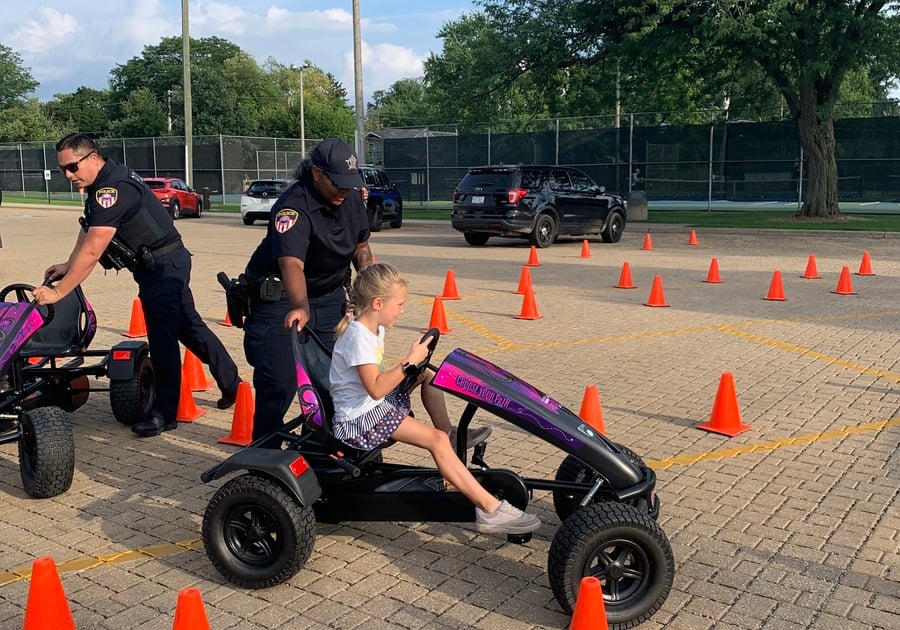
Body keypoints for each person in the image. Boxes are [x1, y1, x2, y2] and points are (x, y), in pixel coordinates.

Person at [32, 133, 241, 437]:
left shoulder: (112, 189)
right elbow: (89, 227)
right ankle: (231, 381)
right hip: (163, 263)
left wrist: (58, 292)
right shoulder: (104, 180)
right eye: (63, 169)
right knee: (189, 327)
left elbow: (94, 248)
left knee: (163, 339)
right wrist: (67, 264)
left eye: (72, 167)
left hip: (163, 268)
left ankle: (164, 413)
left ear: (91, 158)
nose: (67, 175)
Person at [329, 263, 541, 535]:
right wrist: (408, 362)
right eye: (400, 304)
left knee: (428, 374)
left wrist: (416, 365)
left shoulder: (374, 329)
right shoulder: (358, 336)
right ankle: (489, 509)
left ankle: (448, 435)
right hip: (359, 419)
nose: (403, 311)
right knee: (434, 440)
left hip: (369, 406)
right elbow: (376, 389)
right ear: (378, 303)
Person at [242, 138, 374, 441]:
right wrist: (300, 306)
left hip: (329, 299)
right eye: (337, 183)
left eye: (349, 183)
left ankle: (320, 450)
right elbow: (292, 265)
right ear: (316, 173)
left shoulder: (350, 198)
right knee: (280, 381)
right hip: (281, 300)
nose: (344, 190)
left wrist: (368, 290)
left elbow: (362, 249)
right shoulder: (292, 208)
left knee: (333, 380)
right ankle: (264, 452)